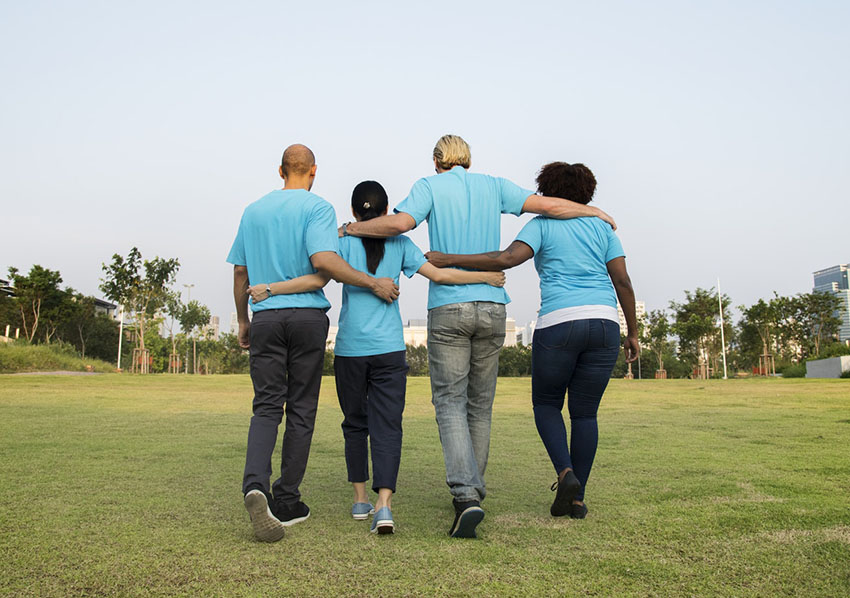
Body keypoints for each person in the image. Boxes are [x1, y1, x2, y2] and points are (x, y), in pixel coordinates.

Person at [341, 135, 616, 538]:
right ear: (467, 158)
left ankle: (466, 495)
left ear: (437, 160)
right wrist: (594, 211)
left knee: (450, 402)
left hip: (449, 307)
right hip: (493, 306)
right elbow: (549, 205)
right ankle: (474, 490)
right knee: (480, 405)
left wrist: (351, 227)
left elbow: (400, 224)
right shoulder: (496, 185)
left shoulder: (429, 187)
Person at [248, 180, 506, 535]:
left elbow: (316, 274)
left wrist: (273, 286)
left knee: (355, 425)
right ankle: (384, 506)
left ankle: (359, 500)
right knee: (388, 426)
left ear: (354, 212)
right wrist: (486, 278)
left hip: (350, 350)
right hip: (388, 350)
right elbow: (441, 275)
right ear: (386, 212)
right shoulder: (401, 243)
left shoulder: (339, 242)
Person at [426, 161, 639, 519]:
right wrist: (632, 332)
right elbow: (623, 282)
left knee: (546, 405)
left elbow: (505, 259)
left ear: (547, 190)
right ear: (588, 192)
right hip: (604, 324)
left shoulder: (541, 225)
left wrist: (450, 258)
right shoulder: (603, 228)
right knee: (585, 414)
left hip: (559, 323)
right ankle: (576, 498)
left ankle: (565, 473)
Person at [227, 145, 399, 542]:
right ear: (314, 172)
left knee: (266, 406)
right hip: (306, 318)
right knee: (301, 408)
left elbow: (240, 272)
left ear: (280, 170)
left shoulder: (252, 211)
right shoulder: (318, 209)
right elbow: (324, 263)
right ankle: (287, 500)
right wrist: (372, 282)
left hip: (266, 316)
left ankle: (256, 485)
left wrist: (242, 319)